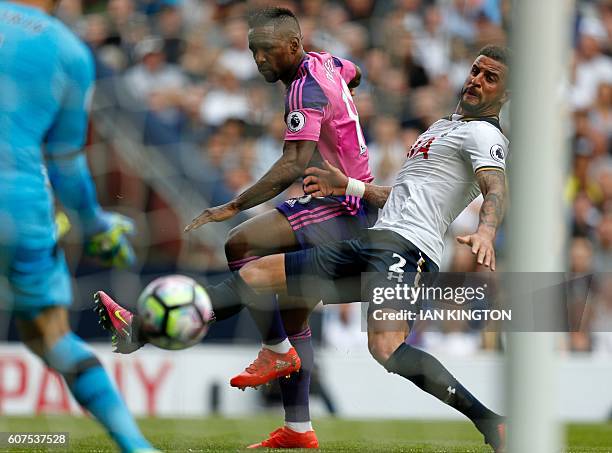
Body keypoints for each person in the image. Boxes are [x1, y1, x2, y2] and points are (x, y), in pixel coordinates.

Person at [96, 44, 509, 451]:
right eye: (476, 70)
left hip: (408, 250)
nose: (476, 79)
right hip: (375, 239)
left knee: (385, 349)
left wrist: (486, 231)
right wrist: (346, 184)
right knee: (255, 275)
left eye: (490, 78)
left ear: (505, 95)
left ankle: (490, 421)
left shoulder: (484, 135)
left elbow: (494, 188)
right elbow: (402, 197)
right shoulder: (441, 127)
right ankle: (142, 331)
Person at [97, 6, 375, 449]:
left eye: (266, 51)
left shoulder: (305, 88)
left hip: (342, 207)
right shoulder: (328, 63)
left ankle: (269, 350)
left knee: (240, 242)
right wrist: (345, 101)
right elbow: (354, 72)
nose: (259, 60)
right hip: (347, 205)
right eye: (252, 51)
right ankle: (298, 430)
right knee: (291, 309)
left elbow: (293, 164)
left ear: (292, 45)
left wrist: (233, 204)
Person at [0, 1, 157, 452]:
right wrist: (95, 226)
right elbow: (66, 165)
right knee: (51, 336)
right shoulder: (68, 50)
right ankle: (136, 447)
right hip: (20, 207)